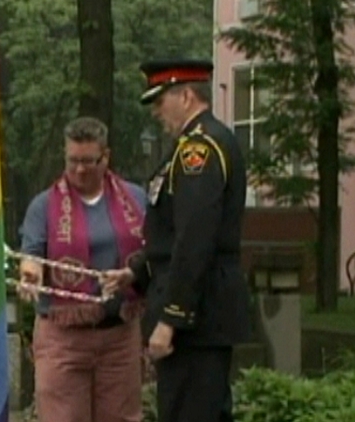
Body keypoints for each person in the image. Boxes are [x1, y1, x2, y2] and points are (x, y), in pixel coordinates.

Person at [101, 58, 252, 422]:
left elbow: (195, 239)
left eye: (160, 100)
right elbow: (172, 237)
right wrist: (138, 271)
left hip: (196, 319)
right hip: (199, 312)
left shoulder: (197, 151)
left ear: (186, 96)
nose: (156, 111)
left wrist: (172, 318)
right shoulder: (196, 145)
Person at [18, 116, 147, 422]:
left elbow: (154, 253)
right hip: (63, 338)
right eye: (72, 160)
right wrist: (30, 274)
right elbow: (32, 252)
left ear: (106, 157)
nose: (79, 169)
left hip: (120, 334)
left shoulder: (136, 199)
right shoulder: (44, 205)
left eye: (88, 161)